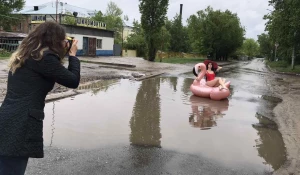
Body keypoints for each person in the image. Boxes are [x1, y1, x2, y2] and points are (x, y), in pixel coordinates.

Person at [0, 21, 80, 174]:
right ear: (55, 40)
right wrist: (73, 55)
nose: (65, 43)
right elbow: (73, 80)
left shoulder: (26, 56)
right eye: (64, 39)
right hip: (20, 126)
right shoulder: (45, 58)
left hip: (6, 120)